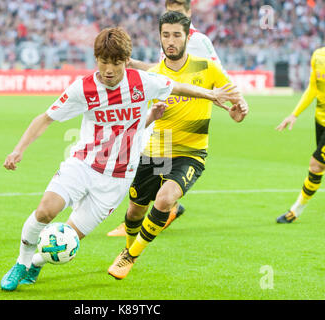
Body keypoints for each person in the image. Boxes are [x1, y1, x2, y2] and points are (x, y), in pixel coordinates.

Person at [0, 26, 241, 291]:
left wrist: (211, 94)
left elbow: (176, 87)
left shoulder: (142, 82)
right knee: (46, 211)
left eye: (116, 62)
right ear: (96, 60)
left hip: (116, 181)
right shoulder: (84, 88)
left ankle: (35, 263)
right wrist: (18, 149)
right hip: (83, 164)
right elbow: (46, 118)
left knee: (68, 238)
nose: (109, 69)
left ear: (126, 61)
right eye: (104, 62)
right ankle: (20, 264)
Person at [107, 12, 249, 280]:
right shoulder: (153, 74)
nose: (170, 41)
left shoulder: (205, 67)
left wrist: (240, 110)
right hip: (156, 149)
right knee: (135, 209)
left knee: (165, 199)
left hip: (190, 151)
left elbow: (236, 98)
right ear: (159, 37)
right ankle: (127, 249)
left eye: (176, 35)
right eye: (165, 35)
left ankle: (131, 255)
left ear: (186, 37)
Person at [107, 0, 226, 236]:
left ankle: (162, 213)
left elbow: (215, 72)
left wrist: (232, 99)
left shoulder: (198, 41)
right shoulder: (169, 37)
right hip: (166, 123)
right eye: (169, 11)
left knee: (165, 188)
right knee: (152, 184)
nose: (172, 17)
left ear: (189, 14)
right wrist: (135, 66)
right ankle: (166, 210)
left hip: (189, 117)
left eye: (178, 12)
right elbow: (162, 71)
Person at [276, 19, 325, 223]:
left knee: (316, 165)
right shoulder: (318, 56)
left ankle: (296, 210)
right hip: (320, 120)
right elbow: (313, 88)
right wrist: (294, 114)